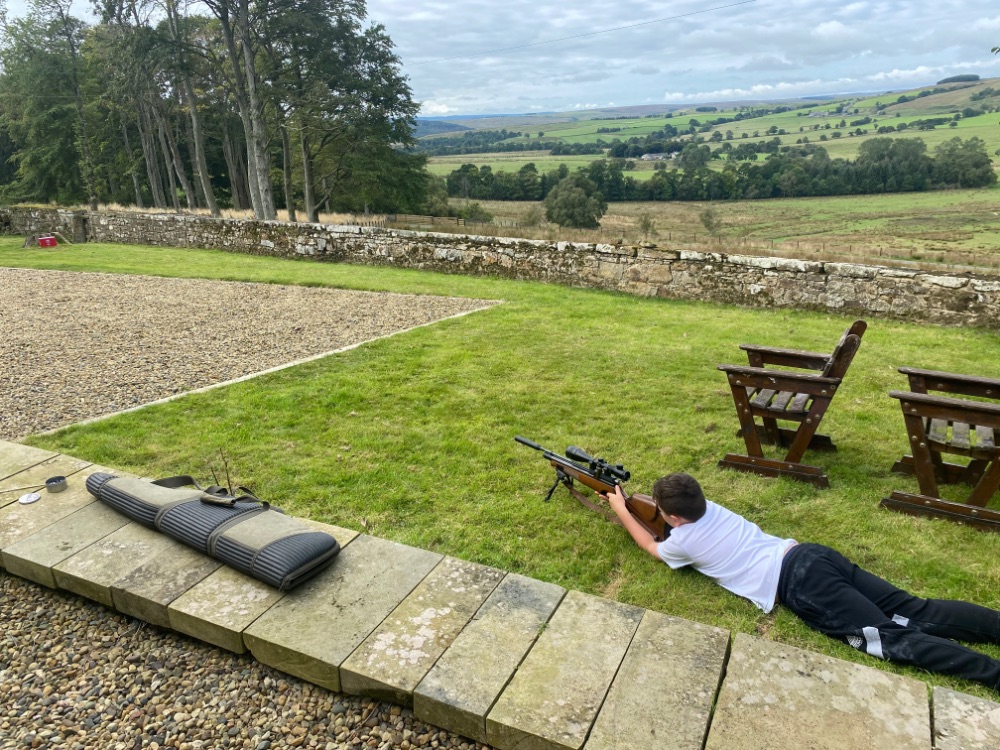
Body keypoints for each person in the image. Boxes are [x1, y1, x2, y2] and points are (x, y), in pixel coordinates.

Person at [605, 472, 1000, 691]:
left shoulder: (682, 543)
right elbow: (673, 523)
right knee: (914, 608)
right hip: (810, 554)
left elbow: (651, 546)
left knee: (887, 637)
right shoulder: (712, 509)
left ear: (673, 518)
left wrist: (622, 510)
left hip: (800, 585)